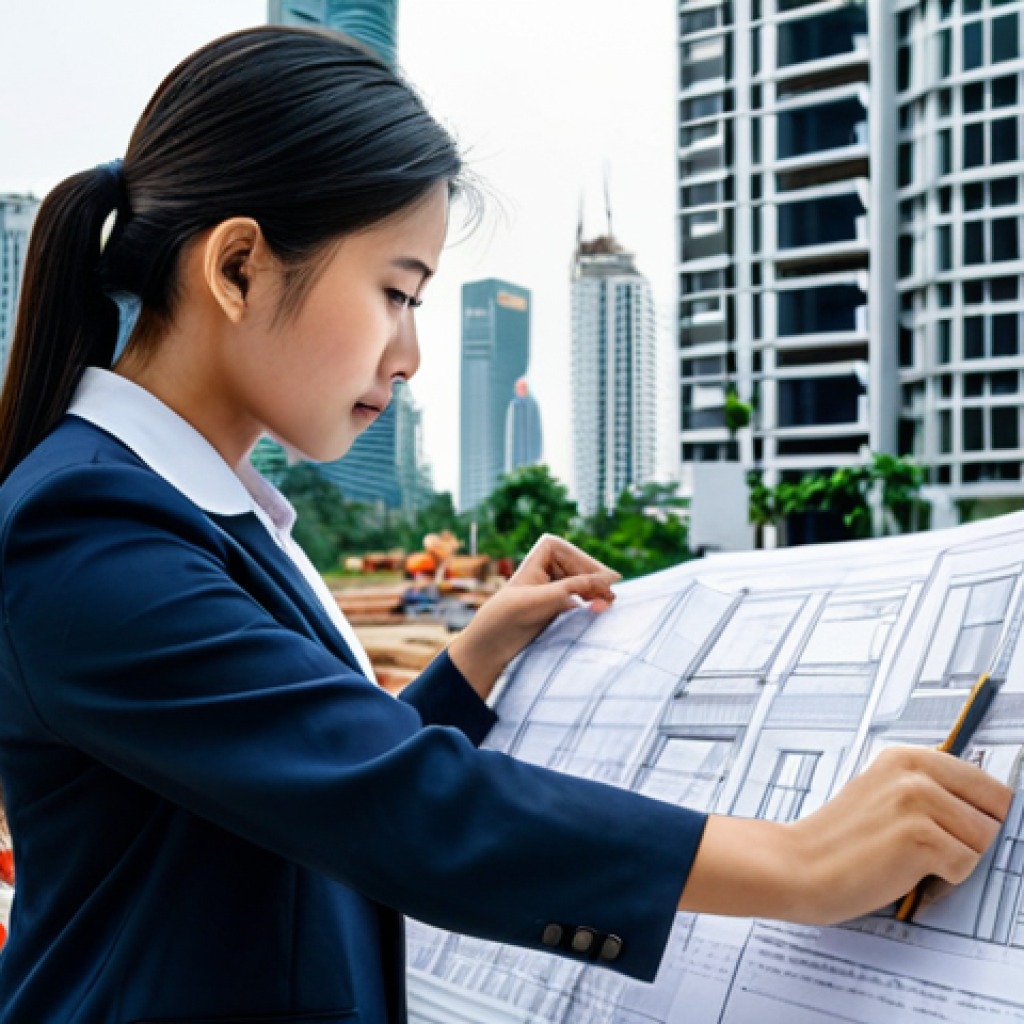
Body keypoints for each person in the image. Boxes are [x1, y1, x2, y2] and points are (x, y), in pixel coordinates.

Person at [0, 26, 1011, 1024]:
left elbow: (293, 768)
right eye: (396, 291)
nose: (410, 353)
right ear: (237, 268)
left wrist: (473, 658)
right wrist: (797, 859)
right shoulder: (88, 530)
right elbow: (385, 802)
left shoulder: (193, 508)